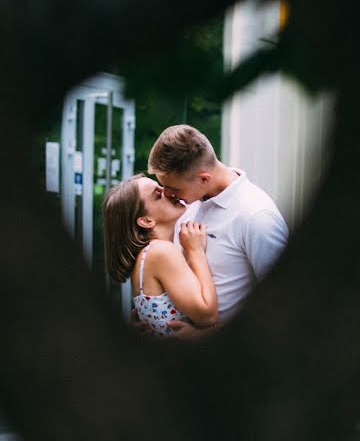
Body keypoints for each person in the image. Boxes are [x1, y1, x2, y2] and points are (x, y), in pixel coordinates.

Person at [148, 124, 288, 331]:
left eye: (173, 188)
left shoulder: (257, 216)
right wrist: (151, 314)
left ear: (204, 179)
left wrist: (204, 338)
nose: (167, 194)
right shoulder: (183, 204)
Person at [102, 174, 217, 337]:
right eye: (158, 194)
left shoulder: (147, 255)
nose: (169, 191)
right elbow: (208, 315)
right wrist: (196, 251)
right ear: (146, 221)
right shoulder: (161, 252)